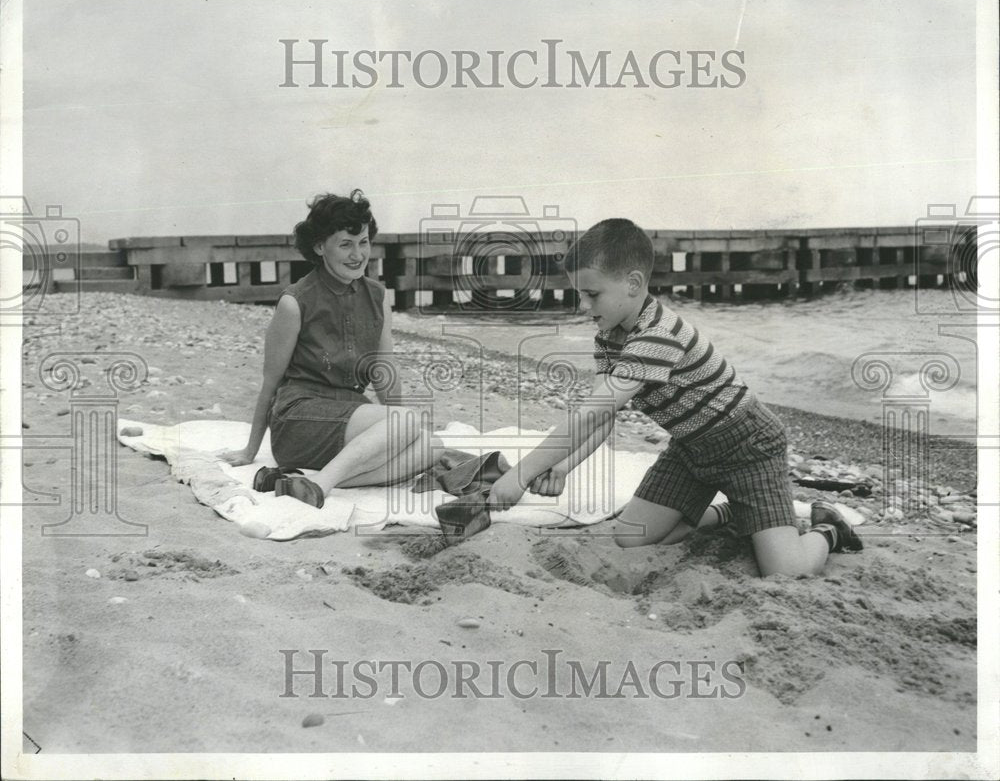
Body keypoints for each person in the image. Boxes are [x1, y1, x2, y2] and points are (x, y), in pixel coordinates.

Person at [487, 218, 862, 577]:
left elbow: (589, 414)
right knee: (631, 537)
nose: (584, 306)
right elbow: (601, 416)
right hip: (691, 450)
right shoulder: (609, 335)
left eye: (592, 294)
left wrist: (522, 474)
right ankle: (734, 513)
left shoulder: (656, 335)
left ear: (633, 283)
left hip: (749, 446)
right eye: (580, 294)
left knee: (787, 570)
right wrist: (563, 467)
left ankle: (828, 530)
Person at [219, 190, 438, 508]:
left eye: (363, 242)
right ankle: (322, 483)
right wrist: (250, 451)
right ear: (320, 246)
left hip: (347, 414)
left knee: (432, 445)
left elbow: (384, 373)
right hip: (298, 418)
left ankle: (300, 483)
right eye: (345, 244)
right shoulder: (294, 303)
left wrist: (399, 424)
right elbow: (271, 382)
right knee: (408, 424)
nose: (357, 254)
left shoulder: (378, 296)